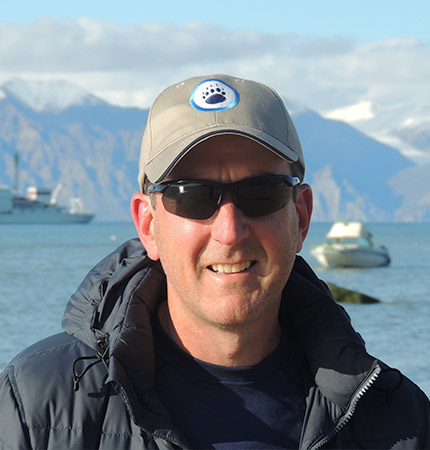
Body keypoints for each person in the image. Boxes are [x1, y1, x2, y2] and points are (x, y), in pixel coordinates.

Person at [0, 74, 428, 450]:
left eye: (261, 193)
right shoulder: (36, 407)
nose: (230, 231)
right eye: (192, 196)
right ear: (148, 225)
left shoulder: (399, 421)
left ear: (301, 217)